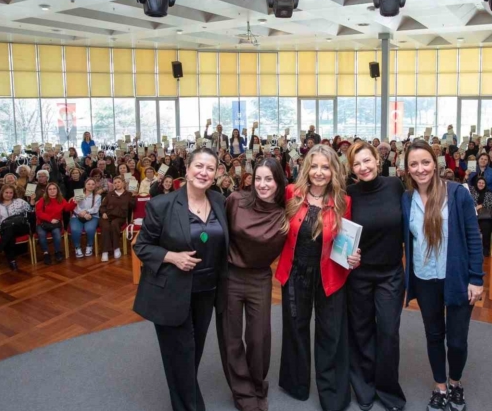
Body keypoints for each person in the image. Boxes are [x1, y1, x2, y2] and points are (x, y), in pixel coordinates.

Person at [133, 147, 228, 411]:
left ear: (216, 174)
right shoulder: (162, 205)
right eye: (199, 166)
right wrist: (172, 257)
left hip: (207, 291)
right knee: (182, 353)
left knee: (192, 352)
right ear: (186, 169)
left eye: (210, 168)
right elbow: (142, 246)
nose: (203, 172)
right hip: (171, 292)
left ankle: (183, 397)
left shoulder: (219, 201)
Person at [401, 139, 483, 411]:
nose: (420, 168)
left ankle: (455, 382)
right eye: (414, 164)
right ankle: (440, 387)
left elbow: (473, 237)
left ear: (435, 164)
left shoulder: (458, 193)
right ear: (407, 169)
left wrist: (477, 279)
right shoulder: (406, 199)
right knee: (434, 335)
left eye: (425, 162)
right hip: (424, 278)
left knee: (457, 341)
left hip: (457, 277)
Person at [275, 144, 355, 411]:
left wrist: (355, 256)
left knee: (330, 333)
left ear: (334, 171)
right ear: (307, 168)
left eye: (326, 167)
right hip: (295, 273)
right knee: (295, 330)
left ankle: (331, 391)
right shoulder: (290, 193)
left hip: (329, 275)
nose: (319, 172)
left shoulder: (344, 202)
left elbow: (347, 242)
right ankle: (295, 384)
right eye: (315, 166)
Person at [217, 158, 287, 411]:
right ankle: (243, 392)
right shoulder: (236, 200)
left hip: (260, 278)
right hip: (231, 276)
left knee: (259, 338)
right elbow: (217, 232)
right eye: (258, 178)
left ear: (278, 181)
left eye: (269, 179)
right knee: (231, 338)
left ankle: (257, 385)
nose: (262, 184)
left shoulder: (286, 213)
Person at [344, 141, 406, 411]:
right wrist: (347, 255)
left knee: (389, 332)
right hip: (359, 275)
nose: (363, 167)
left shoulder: (395, 186)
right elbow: (341, 233)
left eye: (367, 161)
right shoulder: (348, 194)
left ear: (377, 161)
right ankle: (364, 386)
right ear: (352, 169)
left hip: (391, 274)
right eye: (357, 164)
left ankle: (388, 389)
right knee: (361, 331)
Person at [0, 185, 32, 271]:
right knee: (9, 234)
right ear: (2, 193)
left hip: (21, 227)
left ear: (14, 193)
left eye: (11, 193)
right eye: (6, 192)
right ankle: (12, 261)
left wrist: (32, 200)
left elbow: (31, 210)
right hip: (5, 229)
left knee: (9, 231)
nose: (9, 194)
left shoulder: (20, 201)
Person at [35, 182, 76, 265]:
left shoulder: (61, 199)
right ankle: (46, 253)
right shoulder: (42, 200)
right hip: (42, 223)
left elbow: (67, 209)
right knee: (41, 234)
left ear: (57, 190)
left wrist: (74, 202)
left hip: (55, 224)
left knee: (56, 233)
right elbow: (38, 212)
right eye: (50, 189)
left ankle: (58, 252)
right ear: (47, 191)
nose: (52, 191)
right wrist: (50, 219)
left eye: (54, 189)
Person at [99, 177, 134, 262]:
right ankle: (105, 251)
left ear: (123, 183)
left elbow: (133, 206)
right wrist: (103, 213)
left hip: (120, 217)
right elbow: (102, 206)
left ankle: (116, 248)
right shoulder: (109, 194)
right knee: (106, 227)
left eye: (119, 182)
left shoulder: (128, 194)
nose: (117, 184)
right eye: (115, 183)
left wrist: (133, 197)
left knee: (114, 224)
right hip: (107, 216)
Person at [70, 178, 102, 258]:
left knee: (90, 229)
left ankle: (89, 246)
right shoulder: (78, 194)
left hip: (93, 216)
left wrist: (86, 212)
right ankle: (77, 247)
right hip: (77, 215)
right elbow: (75, 206)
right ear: (85, 185)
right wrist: (83, 214)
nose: (91, 186)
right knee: (75, 229)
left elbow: (96, 208)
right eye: (89, 184)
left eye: (93, 184)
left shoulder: (98, 196)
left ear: (95, 186)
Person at [471, 177, 492, 258]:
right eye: (479, 183)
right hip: (473, 215)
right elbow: (468, 202)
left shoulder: (489, 193)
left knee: (486, 228)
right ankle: (472, 249)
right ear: (476, 183)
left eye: (483, 183)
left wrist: (481, 205)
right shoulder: (472, 192)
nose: (481, 184)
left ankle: (486, 249)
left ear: (485, 184)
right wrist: (475, 207)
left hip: (485, 216)